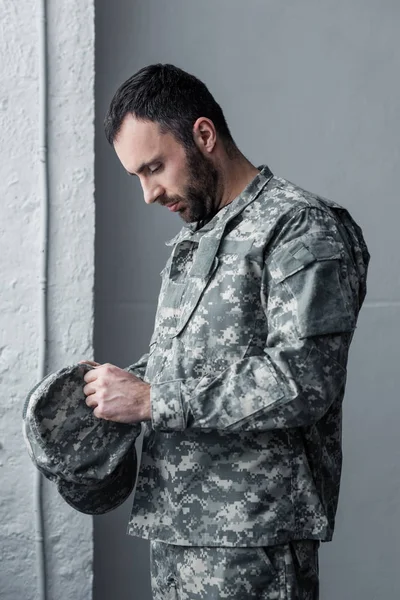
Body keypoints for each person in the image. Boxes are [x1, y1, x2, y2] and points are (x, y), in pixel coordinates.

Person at [80, 64, 369, 600]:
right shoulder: (200, 234)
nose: (148, 193)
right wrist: (108, 391)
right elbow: (187, 364)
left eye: (155, 167)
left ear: (204, 135)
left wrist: (151, 397)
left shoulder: (298, 226)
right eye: (137, 177)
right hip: (176, 532)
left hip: (251, 545)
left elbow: (303, 381)